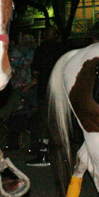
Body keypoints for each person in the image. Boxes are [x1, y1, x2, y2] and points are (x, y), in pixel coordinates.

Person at [26, 25, 66, 167]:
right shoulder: (62, 49)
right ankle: (61, 152)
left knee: (44, 120)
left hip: (45, 89)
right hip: (60, 89)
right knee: (59, 120)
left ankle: (43, 153)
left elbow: (35, 71)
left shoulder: (41, 49)